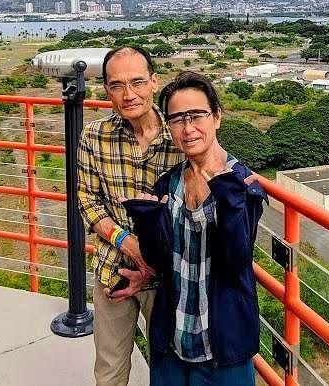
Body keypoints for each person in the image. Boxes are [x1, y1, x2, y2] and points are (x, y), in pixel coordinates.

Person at [122, 71, 267, 386]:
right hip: (172, 337)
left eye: (197, 115)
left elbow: (235, 261)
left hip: (223, 345)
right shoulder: (169, 182)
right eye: (177, 119)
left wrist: (229, 201)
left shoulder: (244, 184)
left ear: (216, 117)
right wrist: (145, 219)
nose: (188, 128)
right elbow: (162, 262)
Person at [78, 46, 183, 386]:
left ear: (155, 82)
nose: (129, 94)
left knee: (169, 368)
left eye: (137, 82)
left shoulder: (181, 138)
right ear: (106, 89)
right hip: (113, 267)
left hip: (169, 275)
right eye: (116, 85)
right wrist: (129, 243)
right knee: (109, 370)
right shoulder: (94, 136)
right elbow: (87, 199)